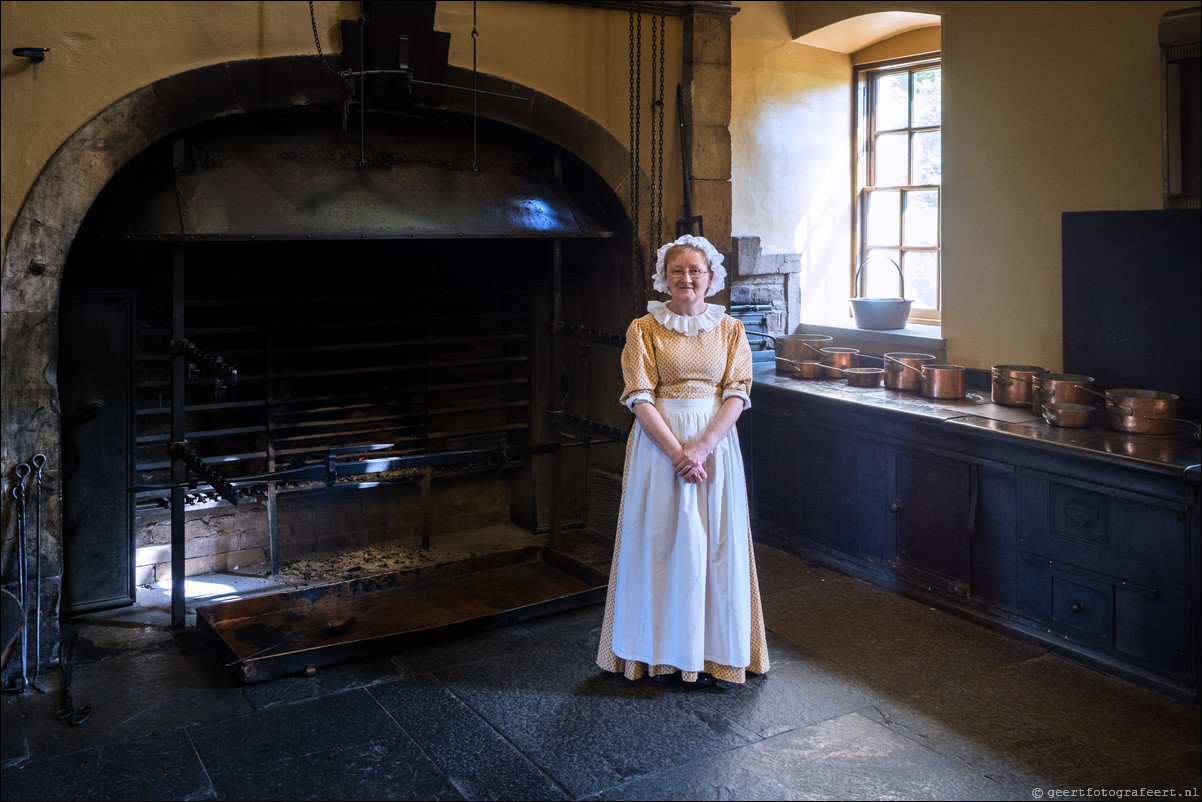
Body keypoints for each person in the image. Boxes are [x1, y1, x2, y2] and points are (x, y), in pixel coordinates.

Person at [596, 234, 769, 686]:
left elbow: (737, 392)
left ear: (711, 279)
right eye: (677, 271)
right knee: (661, 543)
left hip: (715, 447)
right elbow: (638, 396)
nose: (686, 278)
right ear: (663, 278)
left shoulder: (730, 329)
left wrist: (703, 447)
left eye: (696, 271)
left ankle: (714, 654)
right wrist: (679, 453)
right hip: (660, 448)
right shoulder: (644, 329)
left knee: (715, 547)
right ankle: (655, 654)